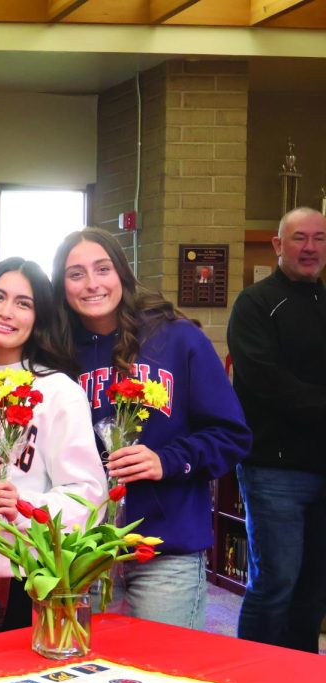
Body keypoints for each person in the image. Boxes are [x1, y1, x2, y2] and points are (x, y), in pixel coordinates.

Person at [53, 227, 250, 631]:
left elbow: (232, 435)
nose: (91, 284)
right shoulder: (56, 350)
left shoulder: (177, 338)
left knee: (166, 675)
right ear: (62, 286)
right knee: (81, 677)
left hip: (165, 548)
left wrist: (168, 460)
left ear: (122, 273)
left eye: (102, 269)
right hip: (81, 552)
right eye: (76, 274)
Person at [0, 258, 106, 641]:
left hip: (18, 577)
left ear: (39, 317)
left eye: (23, 303)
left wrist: (26, 505)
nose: (6, 312)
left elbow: (90, 495)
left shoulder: (58, 392)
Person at [228, 207, 326, 653]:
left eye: (319, 238)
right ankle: (257, 675)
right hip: (274, 470)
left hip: (322, 467)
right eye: (300, 238)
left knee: (314, 590)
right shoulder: (256, 303)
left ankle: (302, 680)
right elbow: (265, 381)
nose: (310, 248)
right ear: (278, 244)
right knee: (276, 583)